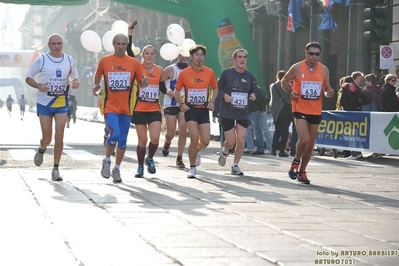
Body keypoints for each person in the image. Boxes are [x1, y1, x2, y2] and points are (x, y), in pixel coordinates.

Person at [92, 33, 147, 183]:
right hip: (110, 107)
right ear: (113, 44)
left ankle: (116, 169)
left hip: (126, 109)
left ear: (126, 45)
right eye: (118, 44)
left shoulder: (133, 63)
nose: (121, 47)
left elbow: (141, 82)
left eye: (124, 44)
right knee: (114, 135)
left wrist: (145, 82)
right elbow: (97, 78)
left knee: (123, 141)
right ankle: (107, 160)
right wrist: (97, 83)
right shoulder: (105, 61)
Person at [25, 33, 80, 181]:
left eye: (59, 43)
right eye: (53, 43)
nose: (56, 46)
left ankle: (56, 168)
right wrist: (38, 85)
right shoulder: (42, 59)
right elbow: (28, 77)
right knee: (47, 137)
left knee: (60, 134)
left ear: (62, 44)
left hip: (61, 102)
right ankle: (42, 149)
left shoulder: (69, 60)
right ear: (48, 45)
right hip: (45, 103)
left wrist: (75, 83)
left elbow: (75, 79)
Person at [281, 41, 334, 184]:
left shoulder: (324, 70)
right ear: (306, 53)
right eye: (311, 53)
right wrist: (290, 91)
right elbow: (284, 81)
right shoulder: (297, 67)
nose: (314, 57)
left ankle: (302, 172)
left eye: (317, 54)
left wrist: (329, 92)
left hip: (315, 110)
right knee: (303, 139)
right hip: (299, 108)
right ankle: (296, 162)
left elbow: (326, 88)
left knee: (310, 144)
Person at [174, 44, 218, 179]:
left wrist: (212, 101)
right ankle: (192, 168)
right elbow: (177, 91)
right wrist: (181, 104)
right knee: (194, 137)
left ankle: (196, 151)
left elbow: (215, 88)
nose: (199, 58)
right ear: (191, 57)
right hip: (190, 109)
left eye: (201, 55)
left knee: (205, 141)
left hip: (203, 109)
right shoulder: (184, 73)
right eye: (197, 55)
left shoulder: (209, 72)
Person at [217, 49, 257, 175]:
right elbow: (218, 89)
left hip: (242, 112)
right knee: (231, 142)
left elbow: (254, 90)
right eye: (239, 57)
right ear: (234, 60)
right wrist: (225, 96)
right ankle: (224, 151)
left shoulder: (250, 76)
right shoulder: (226, 73)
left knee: (241, 140)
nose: (242, 59)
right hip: (227, 112)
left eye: (244, 57)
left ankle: (235, 165)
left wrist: (253, 95)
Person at [131, 45, 163, 178]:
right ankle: (139, 167)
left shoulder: (159, 70)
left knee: (155, 138)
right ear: (142, 55)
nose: (149, 56)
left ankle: (149, 158)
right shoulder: (137, 68)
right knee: (142, 140)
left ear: (154, 56)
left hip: (154, 109)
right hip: (139, 109)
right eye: (147, 53)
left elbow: (162, 86)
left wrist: (170, 92)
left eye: (152, 53)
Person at [160, 54, 189, 169]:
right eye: (183, 55)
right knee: (171, 132)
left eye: (187, 55)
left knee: (182, 130)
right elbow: (160, 82)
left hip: (184, 103)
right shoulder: (171, 69)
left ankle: (179, 158)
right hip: (171, 103)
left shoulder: (191, 71)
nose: (184, 57)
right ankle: (167, 142)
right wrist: (167, 91)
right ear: (178, 55)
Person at [340, 74, 369, 160]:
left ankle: (354, 154)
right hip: (357, 113)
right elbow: (366, 100)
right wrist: (358, 104)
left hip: (348, 113)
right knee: (356, 133)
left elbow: (342, 101)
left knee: (350, 133)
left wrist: (344, 107)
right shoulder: (358, 89)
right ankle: (358, 152)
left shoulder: (345, 88)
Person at [270, 70, 292, 157]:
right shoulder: (287, 85)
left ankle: (273, 149)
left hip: (275, 110)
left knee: (277, 130)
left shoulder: (273, 86)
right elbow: (290, 97)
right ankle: (282, 151)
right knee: (284, 131)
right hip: (285, 109)